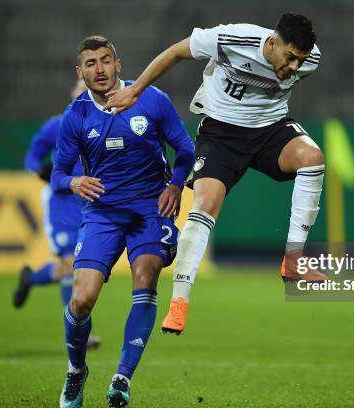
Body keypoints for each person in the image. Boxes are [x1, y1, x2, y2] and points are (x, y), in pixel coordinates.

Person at [104, 13, 327, 335]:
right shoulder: (232, 39)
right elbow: (176, 52)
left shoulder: (311, 60)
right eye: (289, 57)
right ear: (272, 42)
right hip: (221, 134)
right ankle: (178, 304)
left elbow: (291, 73)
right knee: (204, 206)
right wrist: (135, 91)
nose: (294, 66)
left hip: (270, 130)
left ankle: (293, 260)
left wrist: (293, 65)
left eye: (300, 60)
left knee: (312, 158)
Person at [51, 36, 195, 408]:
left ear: (119, 64)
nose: (99, 69)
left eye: (105, 60)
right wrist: (73, 181)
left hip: (151, 208)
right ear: (79, 72)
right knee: (81, 300)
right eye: (90, 64)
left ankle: (121, 380)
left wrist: (176, 186)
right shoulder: (76, 116)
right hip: (102, 212)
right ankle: (76, 371)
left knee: (145, 278)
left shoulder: (152, 100)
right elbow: (58, 174)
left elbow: (186, 149)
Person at [13, 79, 101, 349]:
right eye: (79, 86)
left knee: (70, 267)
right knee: (71, 265)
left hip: (86, 202)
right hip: (61, 204)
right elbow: (33, 155)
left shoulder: (104, 122)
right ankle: (77, 333)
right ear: (73, 92)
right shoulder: (58, 124)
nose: (84, 91)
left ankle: (32, 278)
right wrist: (41, 171)